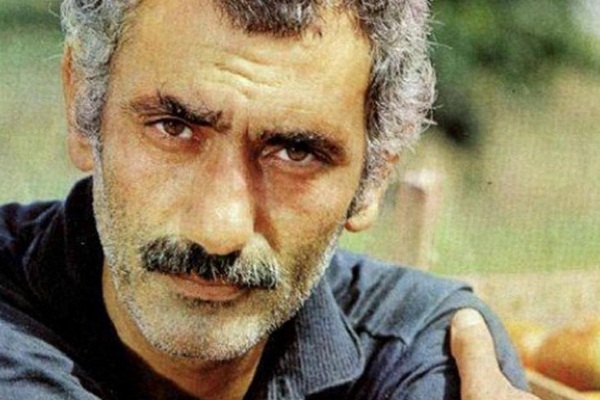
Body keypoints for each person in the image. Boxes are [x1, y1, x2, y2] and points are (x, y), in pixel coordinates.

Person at [0, 0, 540, 399]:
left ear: (373, 178)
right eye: (173, 127)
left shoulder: (426, 344)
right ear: (83, 107)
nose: (219, 230)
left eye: (295, 153)